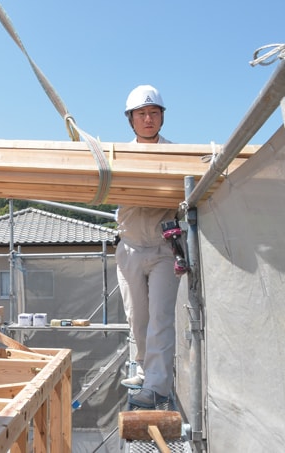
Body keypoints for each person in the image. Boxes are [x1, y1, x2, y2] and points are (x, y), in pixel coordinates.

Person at [115, 85, 181, 408]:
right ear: (131, 120)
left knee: (160, 317)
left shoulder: (175, 154)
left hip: (162, 248)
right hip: (129, 247)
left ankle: (157, 387)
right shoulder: (119, 154)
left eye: (154, 113)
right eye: (141, 114)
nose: (148, 119)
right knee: (137, 317)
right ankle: (144, 368)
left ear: (162, 117)